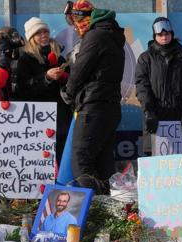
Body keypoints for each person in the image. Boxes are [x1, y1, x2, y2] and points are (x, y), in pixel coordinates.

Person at [65, 7, 125, 194]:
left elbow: (80, 71)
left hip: (93, 105)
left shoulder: (95, 36)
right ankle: (109, 208)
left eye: (76, 21)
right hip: (110, 105)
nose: (76, 26)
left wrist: (68, 92)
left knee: (81, 159)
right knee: (103, 162)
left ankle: (92, 210)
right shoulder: (114, 37)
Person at [15, 17, 72, 164]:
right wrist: (46, 77)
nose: (44, 35)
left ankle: (62, 184)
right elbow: (23, 89)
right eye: (39, 33)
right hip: (39, 115)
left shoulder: (58, 55)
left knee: (62, 151)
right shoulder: (25, 59)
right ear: (31, 37)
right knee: (43, 157)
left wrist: (64, 77)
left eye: (45, 31)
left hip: (61, 113)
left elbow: (70, 81)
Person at [134, 17, 182, 142]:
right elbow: (142, 86)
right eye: (160, 34)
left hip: (179, 118)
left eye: (167, 34)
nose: (164, 37)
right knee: (154, 160)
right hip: (155, 118)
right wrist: (149, 111)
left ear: (172, 34)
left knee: (180, 159)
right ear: (154, 36)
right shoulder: (145, 58)